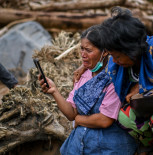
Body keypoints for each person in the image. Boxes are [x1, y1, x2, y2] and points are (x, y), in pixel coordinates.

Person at [74, 7, 153, 155]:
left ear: (132, 51)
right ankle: (151, 144)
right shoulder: (119, 61)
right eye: (112, 55)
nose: (114, 61)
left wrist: (146, 89)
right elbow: (106, 61)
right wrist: (84, 66)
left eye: (118, 56)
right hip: (149, 104)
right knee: (124, 117)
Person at [39, 25, 137, 155]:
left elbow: (104, 120)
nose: (83, 55)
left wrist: (79, 120)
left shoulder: (115, 79)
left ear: (105, 51)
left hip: (108, 147)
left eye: (88, 50)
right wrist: (54, 91)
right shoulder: (83, 75)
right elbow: (71, 114)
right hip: (79, 145)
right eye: (81, 49)